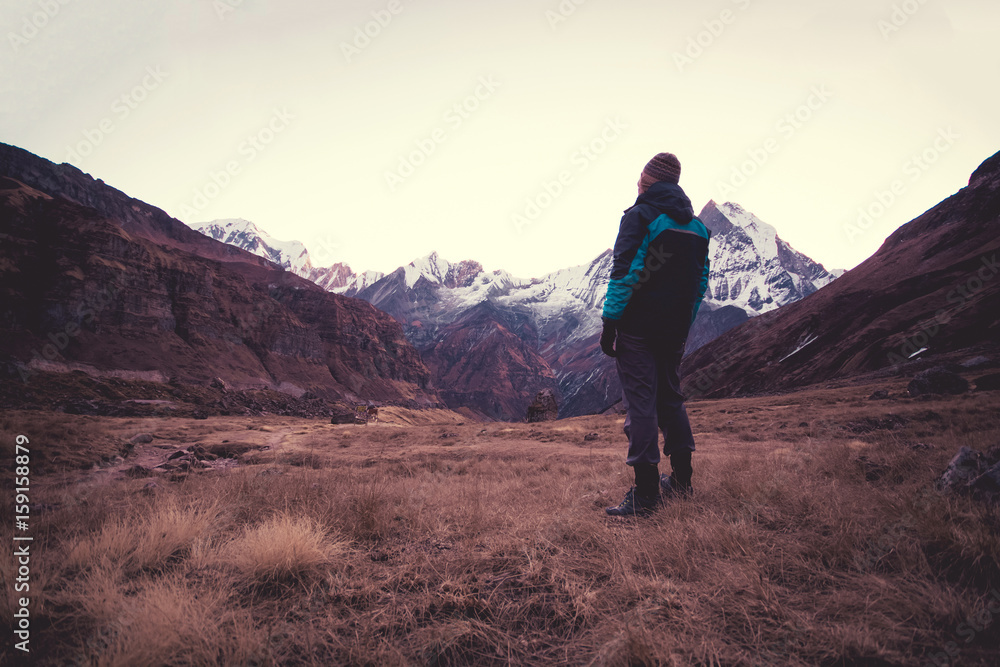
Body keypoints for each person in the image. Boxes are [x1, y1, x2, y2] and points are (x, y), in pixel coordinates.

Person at [600, 152, 711, 517]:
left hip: (638, 328)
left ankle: (646, 493)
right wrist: (684, 322)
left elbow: (624, 272)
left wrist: (610, 321)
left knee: (641, 405)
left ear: (648, 180)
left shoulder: (640, 216)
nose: (637, 181)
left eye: (641, 176)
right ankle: (681, 482)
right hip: (674, 330)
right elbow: (699, 285)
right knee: (671, 400)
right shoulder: (697, 227)